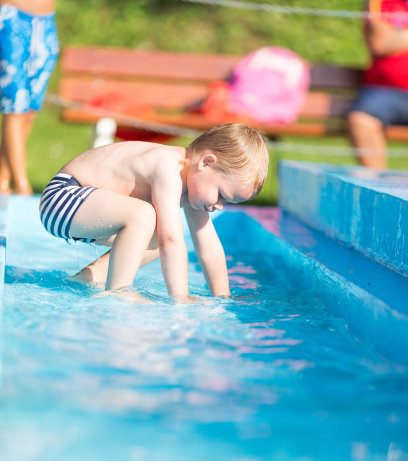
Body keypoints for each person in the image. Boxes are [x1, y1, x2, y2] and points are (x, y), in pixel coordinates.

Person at [39, 123, 270, 299]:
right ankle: (118, 293)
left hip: (83, 209)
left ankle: (89, 279)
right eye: (221, 195)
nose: (219, 206)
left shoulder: (194, 186)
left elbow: (209, 248)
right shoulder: (168, 167)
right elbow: (172, 241)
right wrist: (180, 300)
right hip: (62, 198)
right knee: (146, 217)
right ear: (206, 162)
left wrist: (223, 298)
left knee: (156, 233)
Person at [0, 0, 59, 194]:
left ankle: (3, 178)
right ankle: (21, 186)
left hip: (46, 23)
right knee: (16, 106)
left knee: (30, 110)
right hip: (12, 18)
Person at [347, 0, 408, 169]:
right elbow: (380, 43)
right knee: (361, 120)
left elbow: (390, 40)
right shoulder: (382, 2)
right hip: (386, 93)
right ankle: (378, 188)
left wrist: (399, 36)